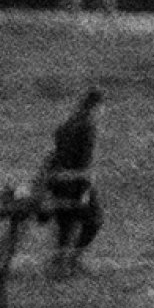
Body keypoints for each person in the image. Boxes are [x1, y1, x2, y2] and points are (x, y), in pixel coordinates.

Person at [37, 87, 105, 277]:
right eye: (100, 110)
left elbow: (55, 154)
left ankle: (58, 266)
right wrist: (85, 192)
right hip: (74, 183)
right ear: (95, 108)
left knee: (66, 225)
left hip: (56, 182)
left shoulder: (67, 124)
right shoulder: (88, 129)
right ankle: (72, 261)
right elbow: (84, 164)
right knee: (94, 220)